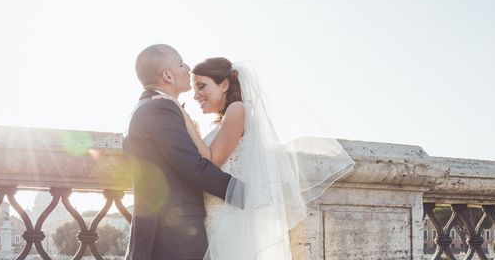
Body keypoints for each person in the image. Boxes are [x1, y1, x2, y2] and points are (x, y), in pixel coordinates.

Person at [175, 57, 354, 260]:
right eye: (194, 88)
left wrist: (185, 119)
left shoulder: (238, 109)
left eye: (201, 86)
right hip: (216, 216)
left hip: (228, 219)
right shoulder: (225, 120)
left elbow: (212, 160)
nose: (196, 95)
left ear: (224, 84)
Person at [123, 45, 236, 260]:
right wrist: (244, 193)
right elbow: (193, 167)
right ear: (167, 75)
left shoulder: (146, 107)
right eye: (181, 63)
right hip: (174, 236)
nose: (187, 68)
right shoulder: (159, 108)